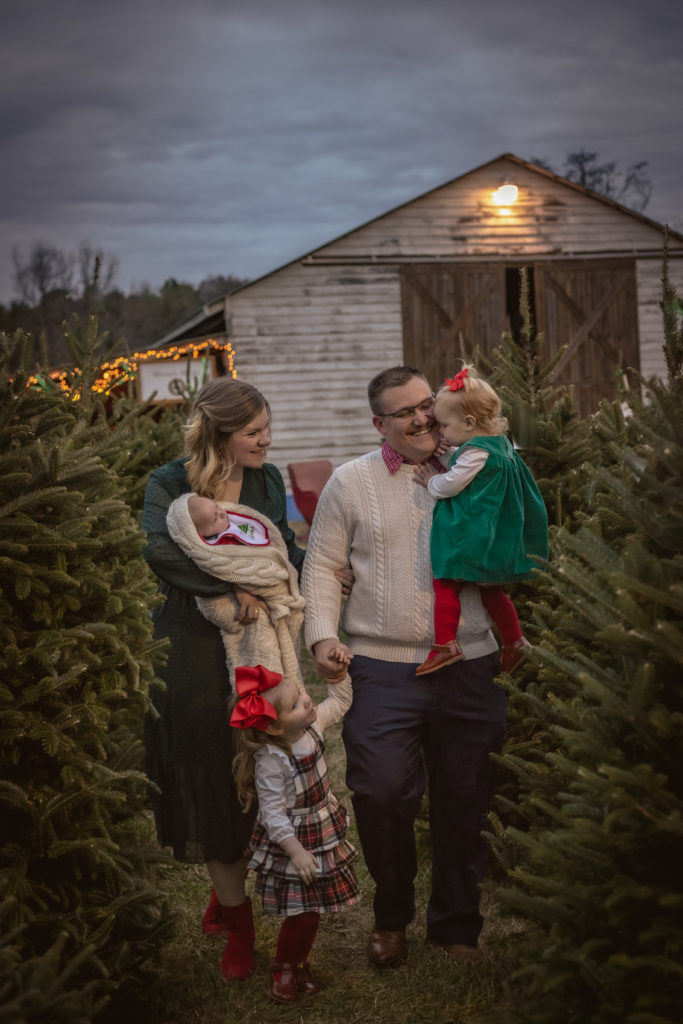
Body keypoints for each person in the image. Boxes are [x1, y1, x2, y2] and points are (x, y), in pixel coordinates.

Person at [301, 365, 507, 966]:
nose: (422, 419)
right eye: (405, 413)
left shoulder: (477, 466)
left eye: (426, 405)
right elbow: (320, 565)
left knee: (464, 797)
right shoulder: (350, 482)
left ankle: (457, 926)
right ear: (379, 424)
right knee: (382, 792)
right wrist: (320, 637)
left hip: (470, 661)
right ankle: (391, 915)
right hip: (382, 666)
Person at [142, 377, 306, 982]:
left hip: (260, 635)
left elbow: (283, 544)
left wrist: (308, 589)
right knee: (212, 768)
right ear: (219, 434)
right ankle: (238, 927)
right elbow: (159, 549)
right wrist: (224, 589)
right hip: (192, 641)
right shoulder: (169, 482)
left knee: (264, 756)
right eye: (254, 432)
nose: (267, 439)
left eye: (267, 427)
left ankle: (230, 888)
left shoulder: (265, 479)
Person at [230, 663, 360, 1003]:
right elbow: (273, 815)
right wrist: (295, 851)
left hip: (322, 829)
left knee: (313, 907)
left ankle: (299, 962)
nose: (306, 701)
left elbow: (341, 701)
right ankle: (284, 965)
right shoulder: (273, 759)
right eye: (295, 704)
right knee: (301, 909)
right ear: (273, 727)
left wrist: (339, 674)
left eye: (302, 694)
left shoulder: (313, 724)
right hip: (292, 839)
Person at [413, 366, 548, 677]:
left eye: (444, 425)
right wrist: (454, 452)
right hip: (492, 533)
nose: (441, 432)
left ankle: (446, 645)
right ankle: (515, 641)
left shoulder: (475, 452)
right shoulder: (498, 444)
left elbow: (451, 485)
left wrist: (433, 479)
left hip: (470, 530)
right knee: (491, 590)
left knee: (445, 580)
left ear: (469, 422)